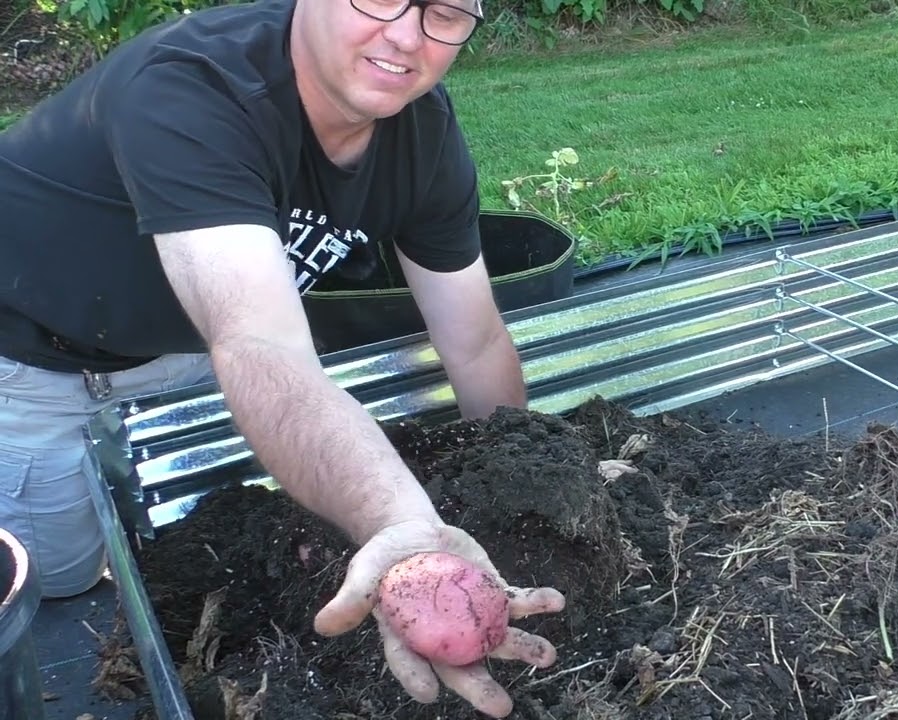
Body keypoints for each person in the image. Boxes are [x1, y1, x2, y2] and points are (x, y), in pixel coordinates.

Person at [0, 0, 566, 715]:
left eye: (446, 12)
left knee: (205, 543)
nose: (405, 36)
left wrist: (523, 482)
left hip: (199, 350)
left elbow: (474, 337)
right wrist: (396, 522)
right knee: (57, 589)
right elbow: (258, 342)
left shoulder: (420, 132)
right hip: (39, 364)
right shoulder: (194, 88)